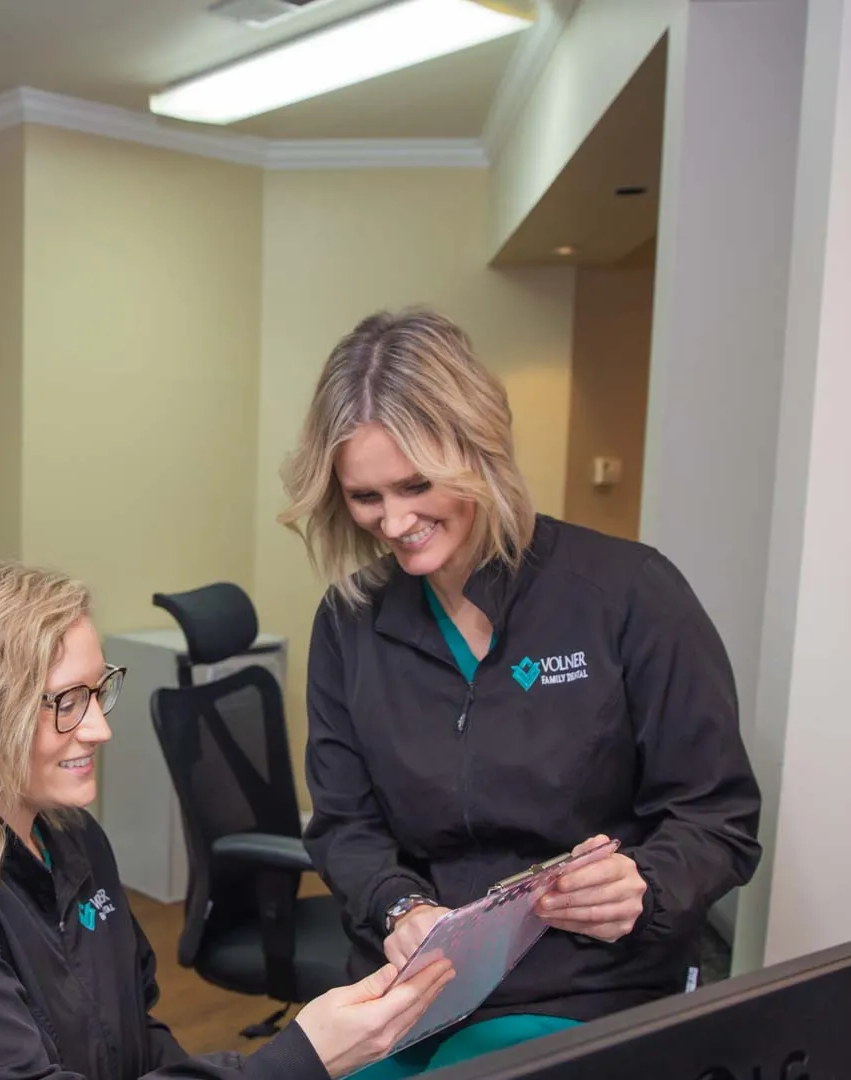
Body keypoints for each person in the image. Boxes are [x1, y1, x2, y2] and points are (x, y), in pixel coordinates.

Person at [276, 308, 764, 1075]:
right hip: (412, 992)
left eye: (415, 484)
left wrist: (646, 884)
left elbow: (719, 815)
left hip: (588, 986)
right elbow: (345, 826)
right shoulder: (351, 623)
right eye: (366, 497)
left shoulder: (629, 593)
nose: (395, 522)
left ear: (481, 450)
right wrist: (399, 907)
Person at [0, 560, 457, 1080]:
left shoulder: (69, 838)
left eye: (99, 692)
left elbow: (136, 1040)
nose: (99, 727)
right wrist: (297, 1062)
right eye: (66, 702)